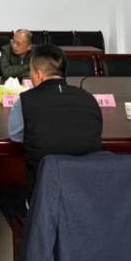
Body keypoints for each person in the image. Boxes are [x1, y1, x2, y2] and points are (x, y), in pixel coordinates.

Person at [6, 44, 103, 208]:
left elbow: (16, 137)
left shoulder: (25, 100)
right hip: (86, 194)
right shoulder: (89, 98)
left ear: (38, 74)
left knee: (5, 194)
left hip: (43, 196)